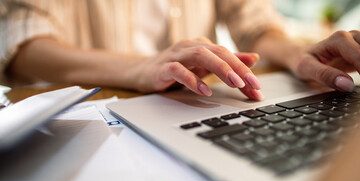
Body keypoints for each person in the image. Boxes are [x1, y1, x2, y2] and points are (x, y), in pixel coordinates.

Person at [0, 0, 359, 101]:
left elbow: (253, 22)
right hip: (96, 110)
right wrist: (140, 68)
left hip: (191, 103)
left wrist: (298, 55)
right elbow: (22, 44)